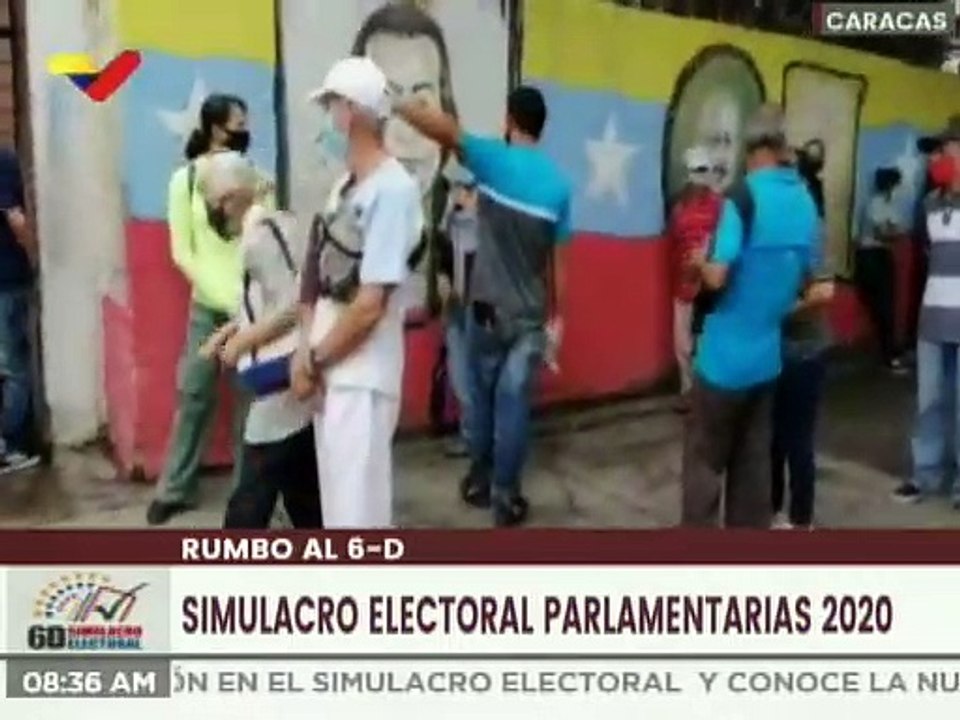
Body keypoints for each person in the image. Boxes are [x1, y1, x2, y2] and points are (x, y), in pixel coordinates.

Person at [395, 85, 573, 527]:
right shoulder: (558, 186)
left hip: (485, 310)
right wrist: (557, 318)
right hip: (529, 318)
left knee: (480, 400)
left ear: (510, 121)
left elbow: (446, 131)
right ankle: (506, 498)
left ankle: (479, 479)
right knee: (513, 406)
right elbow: (560, 264)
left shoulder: (494, 161)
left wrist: (400, 105)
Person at [294, 56, 422, 528]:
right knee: (338, 516)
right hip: (332, 370)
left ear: (350, 111)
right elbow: (317, 275)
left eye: (331, 107)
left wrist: (313, 360)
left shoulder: (392, 191)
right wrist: (306, 352)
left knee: (357, 521)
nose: (329, 120)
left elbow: (370, 306)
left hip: (361, 376)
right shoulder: (344, 186)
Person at [681, 104, 818, 529]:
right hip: (767, 360)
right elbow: (809, 280)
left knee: (704, 467)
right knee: (752, 473)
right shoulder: (804, 201)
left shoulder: (743, 198)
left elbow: (718, 277)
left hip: (723, 363)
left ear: (752, 146)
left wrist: (699, 262)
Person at [192, 151, 322, 529]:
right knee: (300, 484)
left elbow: (291, 306)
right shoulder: (273, 225)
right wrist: (227, 332)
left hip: (279, 376)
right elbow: (265, 303)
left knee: (255, 482)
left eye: (213, 203)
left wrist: (242, 342)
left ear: (231, 199)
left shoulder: (257, 240)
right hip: (291, 371)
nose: (213, 213)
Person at [147, 94, 260, 526]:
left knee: (250, 405)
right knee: (193, 395)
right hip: (209, 308)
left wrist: (246, 304)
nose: (243, 129)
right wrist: (225, 297)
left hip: (250, 308)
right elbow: (182, 252)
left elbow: (262, 240)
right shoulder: (186, 181)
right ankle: (174, 489)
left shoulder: (254, 177)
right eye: (237, 122)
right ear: (215, 128)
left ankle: (247, 493)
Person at [351, 3, 459, 319]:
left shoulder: (457, 216)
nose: (406, 134)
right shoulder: (337, 215)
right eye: (386, 101)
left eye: (422, 104)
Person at [895, 120, 960, 507]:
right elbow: (924, 257)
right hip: (933, 320)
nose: (938, 158)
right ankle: (926, 475)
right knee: (929, 401)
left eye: (946, 150)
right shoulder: (929, 205)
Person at [770, 157, 835, 530]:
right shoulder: (778, 227)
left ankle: (800, 519)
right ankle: (774, 509)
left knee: (797, 439)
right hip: (773, 349)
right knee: (773, 439)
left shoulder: (812, 227)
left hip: (804, 351)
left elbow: (824, 289)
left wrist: (784, 307)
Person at [668, 146, 722, 407]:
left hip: (710, 282)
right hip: (683, 283)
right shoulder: (678, 205)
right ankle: (687, 390)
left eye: (704, 170)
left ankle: (704, 393)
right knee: (682, 343)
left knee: (705, 340)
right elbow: (674, 244)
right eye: (697, 170)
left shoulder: (720, 206)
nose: (701, 176)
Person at [0, 148, 40, 473]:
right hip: (6, 278)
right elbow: (15, 218)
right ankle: (12, 447)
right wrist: (34, 256)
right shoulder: (3, 161)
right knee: (14, 365)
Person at [437, 163, 478, 457]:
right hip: (456, 309)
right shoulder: (449, 223)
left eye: (465, 189)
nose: (458, 195)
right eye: (455, 188)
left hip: (481, 309)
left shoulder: (487, 225)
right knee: (460, 373)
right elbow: (441, 257)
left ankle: (482, 439)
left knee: (480, 375)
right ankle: (470, 435)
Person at [855, 167, 907, 373]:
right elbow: (885, 232)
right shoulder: (876, 205)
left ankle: (889, 352)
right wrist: (895, 232)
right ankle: (890, 356)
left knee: (884, 307)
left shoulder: (886, 204)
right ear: (891, 185)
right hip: (873, 257)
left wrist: (894, 232)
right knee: (884, 306)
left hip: (878, 255)